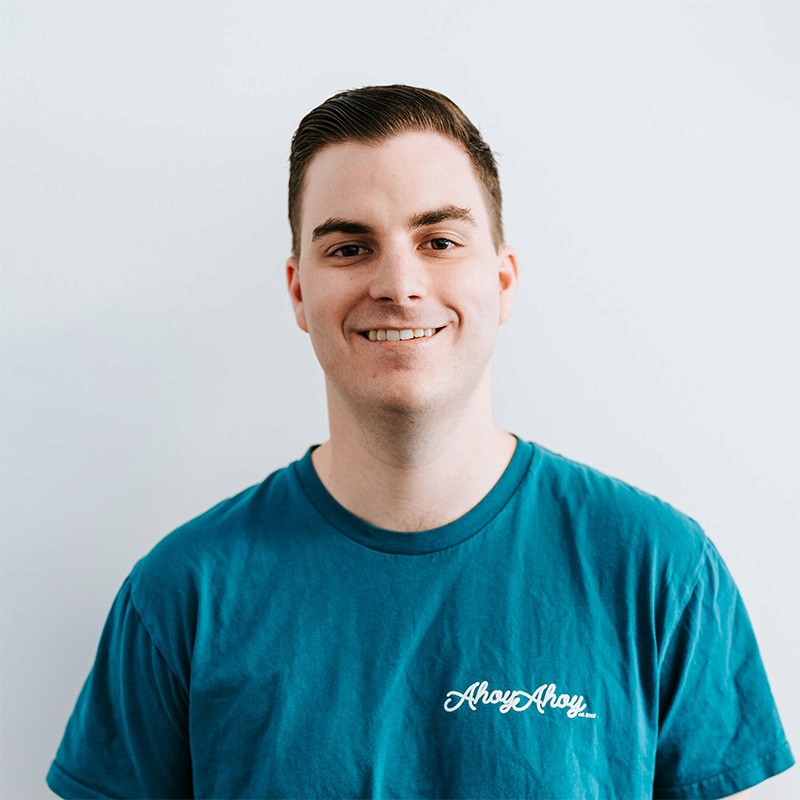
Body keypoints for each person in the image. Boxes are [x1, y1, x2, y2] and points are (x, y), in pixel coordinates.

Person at [47, 85, 793, 800]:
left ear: (503, 281)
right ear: (299, 291)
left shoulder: (660, 569)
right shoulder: (182, 593)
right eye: (350, 248)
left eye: (439, 240)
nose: (399, 285)